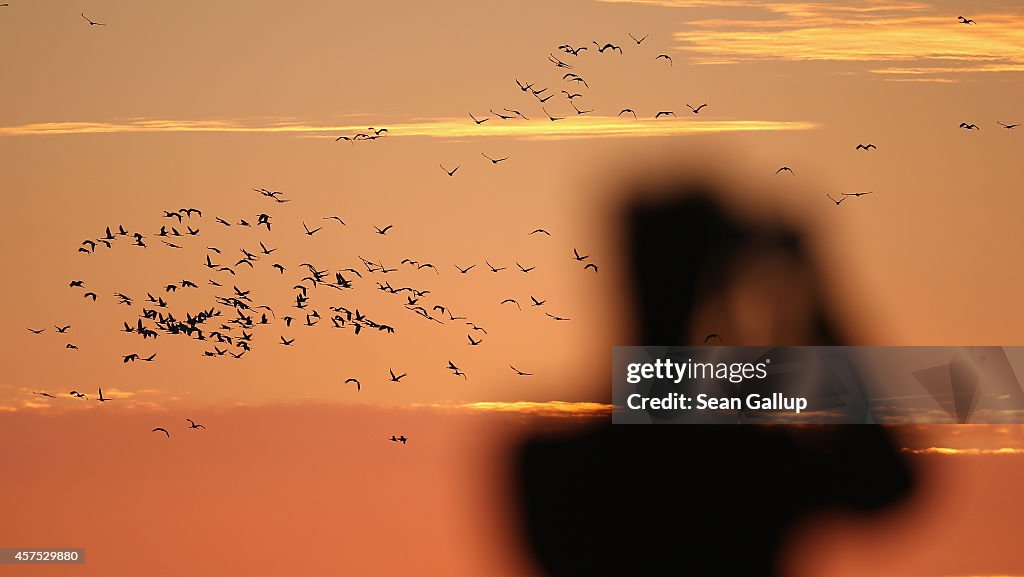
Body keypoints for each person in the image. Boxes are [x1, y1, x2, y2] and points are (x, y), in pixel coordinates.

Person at [516, 182, 915, 577]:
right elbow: (885, 483)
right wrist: (812, 300)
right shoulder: (755, 469)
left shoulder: (555, 465)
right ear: (719, 286)